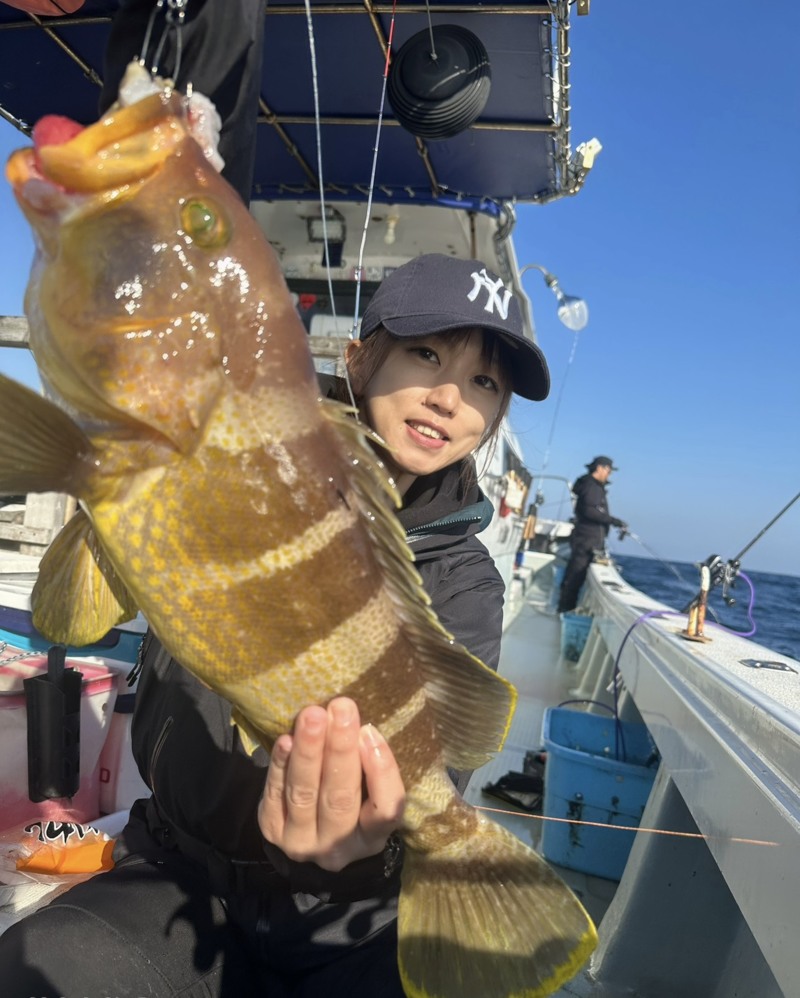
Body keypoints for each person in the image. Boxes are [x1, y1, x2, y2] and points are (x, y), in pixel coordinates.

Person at [0, 253, 551, 996]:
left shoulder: (467, 581)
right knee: (37, 972)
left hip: (346, 912)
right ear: (359, 357)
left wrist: (357, 842)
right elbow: (73, 611)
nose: (450, 397)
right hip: (178, 864)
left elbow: (444, 759)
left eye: (485, 381)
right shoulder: (237, 447)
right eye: (426, 353)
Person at [557, 455, 627, 614]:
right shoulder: (592, 486)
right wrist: (613, 520)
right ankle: (564, 610)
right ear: (600, 468)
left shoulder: (590, 486)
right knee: (574, 578)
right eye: (608, 470)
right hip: (586, 540)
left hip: (585, 538)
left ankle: (565, 608)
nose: (609, 474)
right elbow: (590, 511)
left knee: (573, 576)